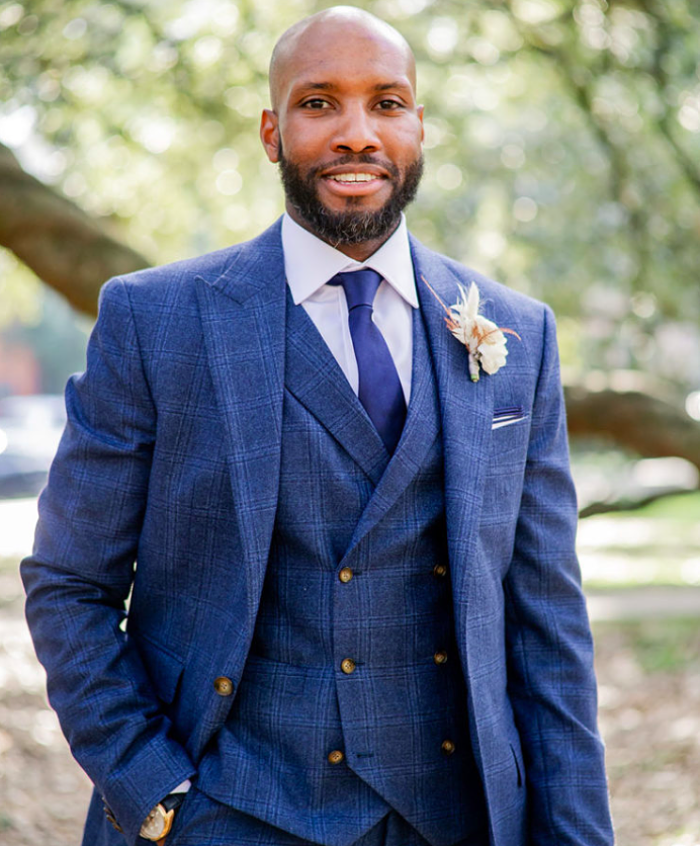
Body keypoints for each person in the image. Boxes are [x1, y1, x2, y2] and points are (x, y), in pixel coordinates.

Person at [21, 6, 614, 846]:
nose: (356, 133)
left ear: (420, 126)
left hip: (458, 820)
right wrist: (152, 789)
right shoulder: (156, 322)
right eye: (318, 103)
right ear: (271, 130)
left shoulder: (518, 337)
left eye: (387, 102)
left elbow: (547, 622)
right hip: (227, 814)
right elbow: (70, 582)